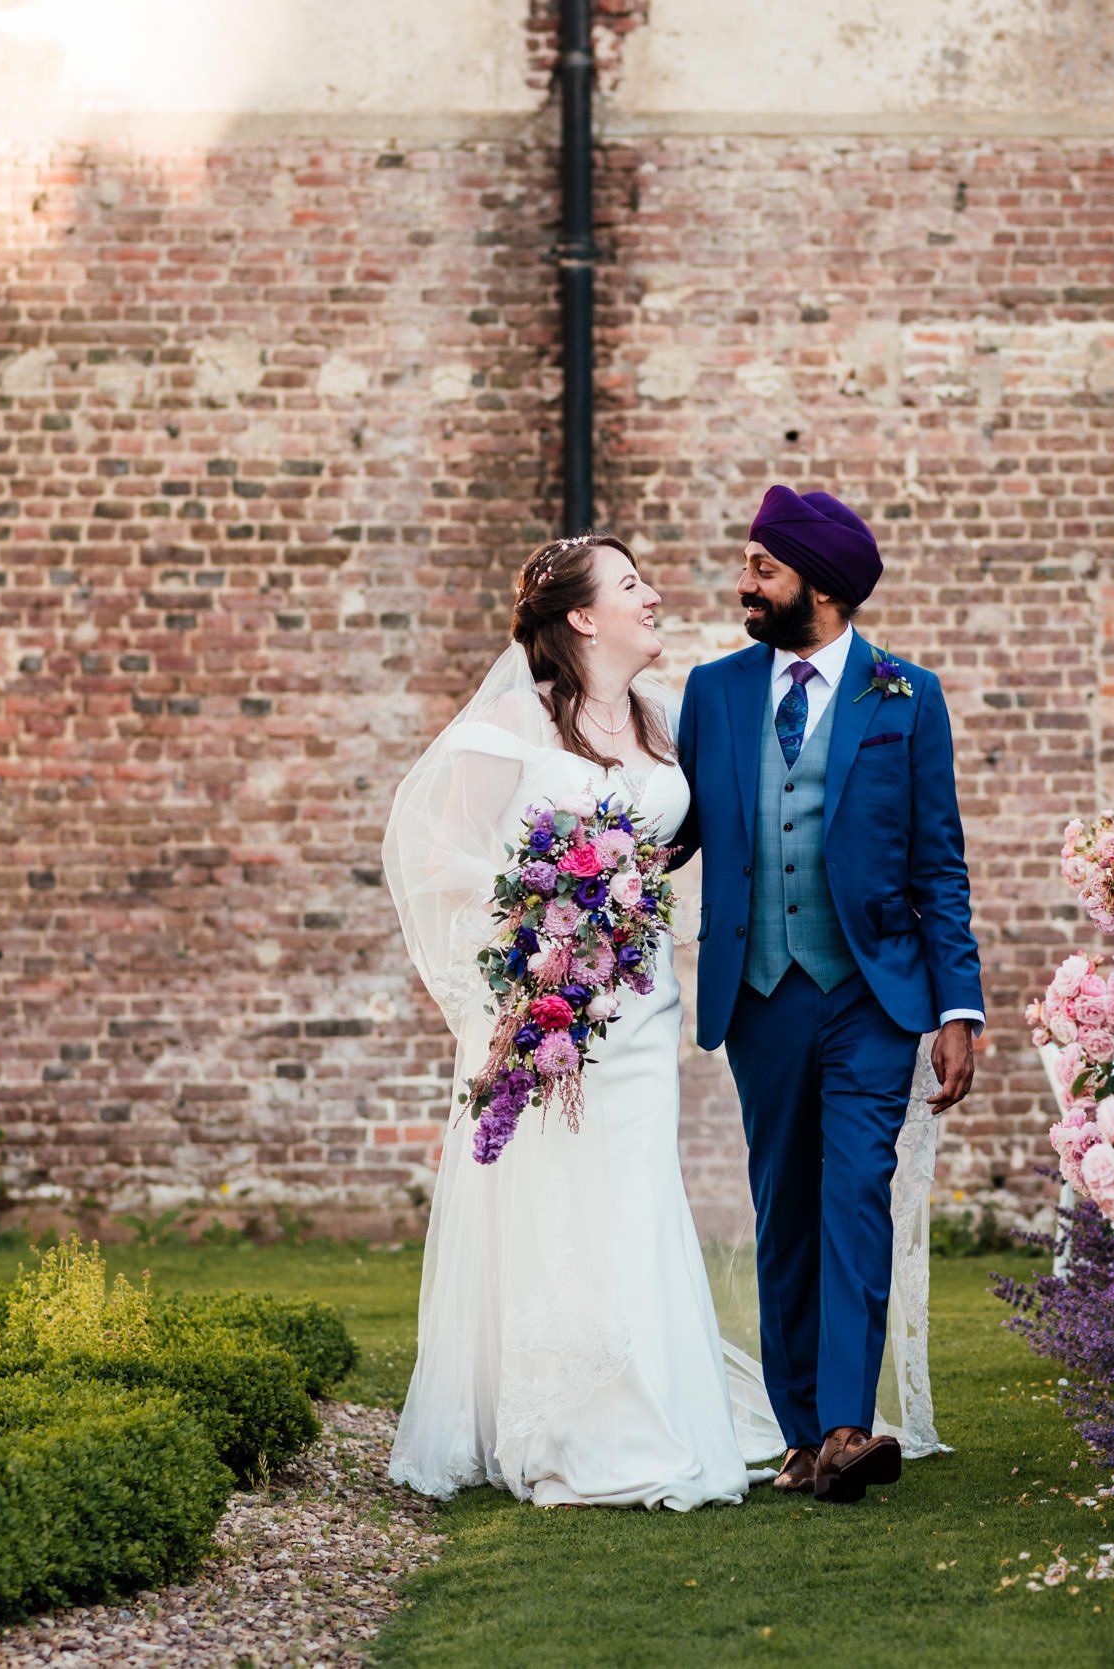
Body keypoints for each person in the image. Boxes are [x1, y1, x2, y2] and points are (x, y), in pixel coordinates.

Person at [382, 533, 755, 1510]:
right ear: (583, 616)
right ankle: (572, 1420)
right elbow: (437, 858)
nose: (655, 596)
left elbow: (667, 847)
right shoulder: (510, 720)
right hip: (550, 1006)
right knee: (561, 1204)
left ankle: (658, 1402)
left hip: (642, 1006)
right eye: (633, 585)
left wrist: (621, 892)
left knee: (635, 1195)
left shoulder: (666, 724)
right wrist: (550, 896)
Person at [669, 486, 985, 1503]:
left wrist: (957, 1007)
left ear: (823, 585)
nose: (742, 583)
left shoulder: (907, 695)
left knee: (854, 1191)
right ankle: (800, 1432)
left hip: (872, 992)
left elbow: (938, 861)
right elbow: (672, 832)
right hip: (759, 991)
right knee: (785, 1209)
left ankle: (849, 1425)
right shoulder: (712, 693)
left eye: (761, 567)